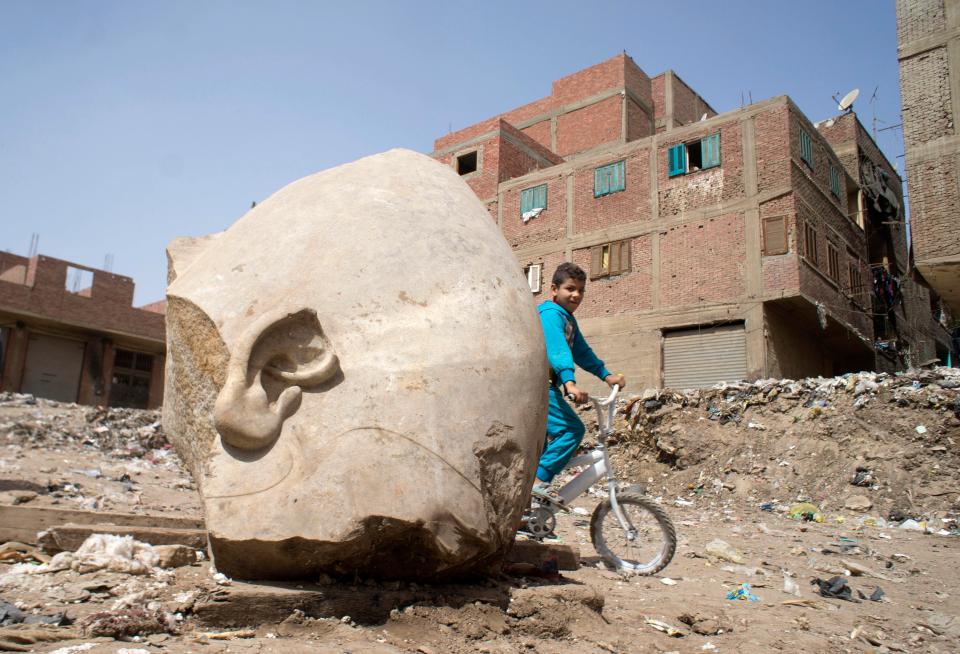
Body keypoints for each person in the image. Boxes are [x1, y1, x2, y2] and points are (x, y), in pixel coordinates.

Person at [534, 262, 625, 502]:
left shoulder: (567, 320)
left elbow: (581, 351)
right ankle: (537, 483)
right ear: (554, 289)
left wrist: (606, 375)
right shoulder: (550, 315)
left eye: (581, 290)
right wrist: (569, 383)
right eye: (570, 288)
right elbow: (558, 350)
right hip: (538, 387)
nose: (576, 295)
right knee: (571, 429)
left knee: (540, 449)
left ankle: (530, 511)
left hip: (545, 386)